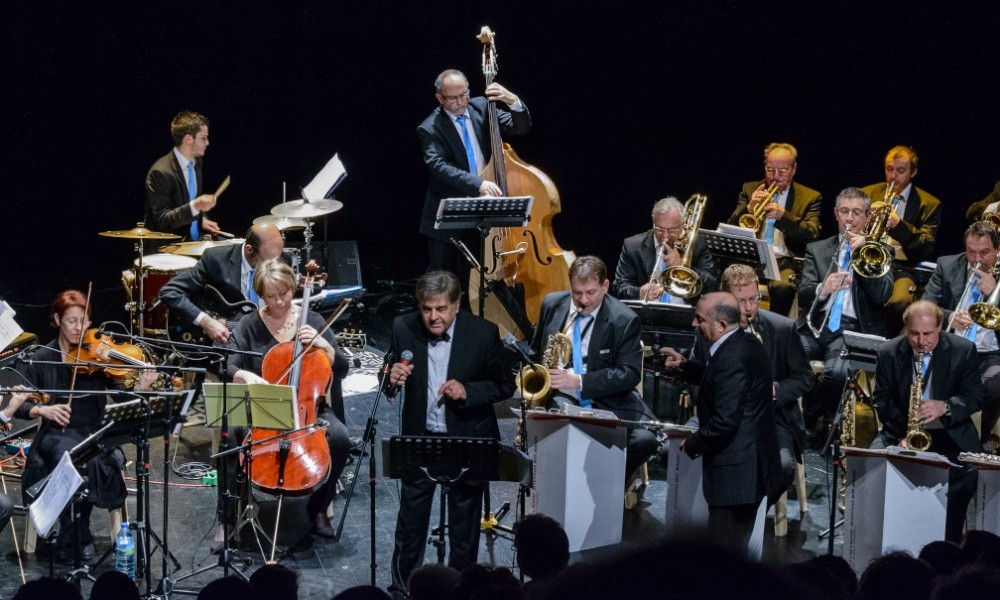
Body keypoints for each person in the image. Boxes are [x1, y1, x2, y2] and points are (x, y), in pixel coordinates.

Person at [386, 271, 514, 593]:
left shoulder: (483, 333)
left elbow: (504, 385)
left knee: (464, 527)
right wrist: (391, 376)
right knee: (410, 524)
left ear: (456, 305)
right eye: (427, 309)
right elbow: (387, 373)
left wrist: (468, 390)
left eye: (441, 309)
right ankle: (403, 589)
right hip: (420, 438)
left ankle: (462, 589)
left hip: (467, 439)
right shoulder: (403, 327)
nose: (433, 317)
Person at [7, 290, 158, 561]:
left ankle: (76, 534)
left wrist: (141, 386)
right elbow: (21, 405)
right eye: (71, 321)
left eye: (84, 321)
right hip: (55, 435)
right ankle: (75, 533)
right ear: (57, 319)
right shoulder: (43, 357)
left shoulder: (98, 360)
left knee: (93, 457)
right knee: (65, 455)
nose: (79, 328)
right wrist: (44, 409)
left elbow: (124, 397)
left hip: (95, 433)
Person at [225, 259, 351, 538]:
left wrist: (326, 347)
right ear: (260, 295)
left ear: (293, 288)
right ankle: (228, 517)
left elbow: (341, 370)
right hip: (264, 409)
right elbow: (228, 365)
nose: (279, 301)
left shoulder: (314, 321)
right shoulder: (248, 325)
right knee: (230, 436)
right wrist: (245, 375)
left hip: (309, 408)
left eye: (284, 293)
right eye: (271, 296)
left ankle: (319, 508)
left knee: (341, 438)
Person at [661, 292, 781, 551]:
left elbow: (725, 421)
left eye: (700, 319)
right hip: (750, 469)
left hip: (737, 479)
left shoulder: (731, 358)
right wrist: (686, 367)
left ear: (721, 325)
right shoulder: (744, 344)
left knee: (724, 557)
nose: (694, 324)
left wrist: (693, 443)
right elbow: (724, 383)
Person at [531, 256, 658, 481]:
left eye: (591, 292)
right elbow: (535, 350)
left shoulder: (624, 319)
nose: (583, 300)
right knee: (561, 430)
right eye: (577, 293)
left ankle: (611, 482)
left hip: (609, 396)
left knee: (645, 439)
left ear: (605, 286)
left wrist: (579, 381)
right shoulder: (552, 303)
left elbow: (629, 374)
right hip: (561, 394)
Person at [870, 300, 982, 543]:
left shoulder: (963, 350)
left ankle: (948, 541)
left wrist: (946, 406)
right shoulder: (888, 351)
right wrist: (904, 432)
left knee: (969, 474)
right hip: (902, 430)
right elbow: (881, 399)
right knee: (871, 465)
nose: (921, 342)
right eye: (915, 334)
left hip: (948, 431)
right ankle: (887, 540)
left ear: (940, 327)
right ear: (906, 328)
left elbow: (974, 397)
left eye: (928, 334)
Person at [418, 69, 531, 280]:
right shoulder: (430, 128)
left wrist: (513, 101)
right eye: (453, 98)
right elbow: (439, 166)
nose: (461, 102)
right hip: (449, 216)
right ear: (440, 98)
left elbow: (520, 127)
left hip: (487, 212)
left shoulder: (482, 107)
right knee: (442, 279)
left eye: (465, 94)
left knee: (482, 279)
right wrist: (478, 184)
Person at [797, 187, 893, 435]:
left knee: (837, 374)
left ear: (868, 217)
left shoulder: (881, 252)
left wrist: (864, 256)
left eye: (857, 213)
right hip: (815, 326)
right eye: (845, 211)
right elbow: (804, 292)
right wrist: (823, 288)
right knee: (785, 357)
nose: (850, 218)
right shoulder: (817, 249)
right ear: (836, 214)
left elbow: (882, 295)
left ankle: (809, 417)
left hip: (849, 329)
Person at [720, 264, 814, 491]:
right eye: (741, 302)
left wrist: (774, 390)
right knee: (671, 453)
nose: (750, 308)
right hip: (722, 417)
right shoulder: (709, 325)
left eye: (754, 299)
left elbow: (805, 378)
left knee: (780, 468)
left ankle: (748, 515)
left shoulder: (782, 328)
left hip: (772, 420)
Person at [921, 221, 1000, 450]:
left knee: (994, 387)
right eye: (971, 252)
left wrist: (995, 292)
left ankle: (978, 442)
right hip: (953, 347)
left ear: (997, 250)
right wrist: (949, 317)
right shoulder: (947, 265)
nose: (977, 260)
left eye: (984, 253)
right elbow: (926, 303)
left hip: (991, 354)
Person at [727, 142, 822, 317]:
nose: (775, 176)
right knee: (729, 280)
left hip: (784, 261)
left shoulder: (811, 197)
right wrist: (748, 208)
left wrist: (783, 216)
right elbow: (731, 227)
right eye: (770, 170)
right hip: (752, 256)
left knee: (783, 288)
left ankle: (774, 331)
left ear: (794, 169)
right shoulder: (750, 188)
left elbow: (812, 234)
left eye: (783, 171)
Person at [160, 222, 285, 344]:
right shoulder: (216, 260)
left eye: (277, 259)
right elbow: (170, 291)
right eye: (267, 261)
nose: (273, 266)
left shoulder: (282, 259)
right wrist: (206, 322)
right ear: (249, 250)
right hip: (224, 345)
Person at [861, 145, 941, 328]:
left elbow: (926, 246)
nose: (893, 176)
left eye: (900, 171)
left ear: (913, 172)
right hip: (869, 262)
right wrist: (865, 219)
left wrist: (899, 225)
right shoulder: (867, 193)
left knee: (900, 302)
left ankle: (885, 342)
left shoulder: (929, 204)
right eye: (889, 169)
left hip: (902, 267)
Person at [612, 196, 717, 303]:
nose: (665, 235)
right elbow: (619, 286)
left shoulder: (697, 243)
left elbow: (711, 284)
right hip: (647, 316)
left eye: (672, 230)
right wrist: (639, 292)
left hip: (685, 315)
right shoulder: (633, 246)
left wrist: (681, 266)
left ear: (682, 225)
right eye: (660, 229)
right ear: (654, 223)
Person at [145, 110, 221, 240]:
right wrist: (195, 206)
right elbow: (162, 222)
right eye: (203, 138)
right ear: (188, 139)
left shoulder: (196, 163)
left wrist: (201, 218)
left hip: (192, 242)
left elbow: (188, 201)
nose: (207, 143)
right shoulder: (161, 172)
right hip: (169, 249)